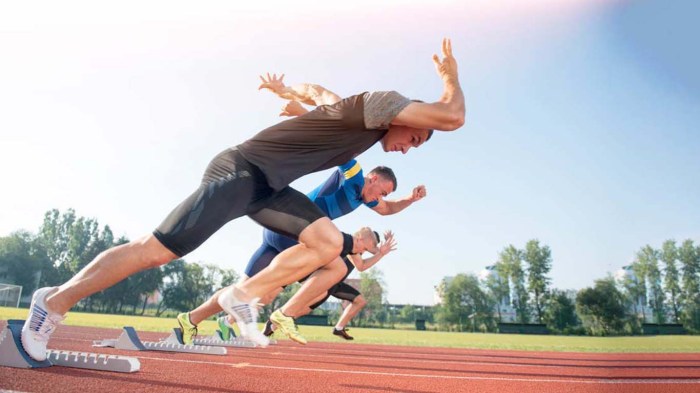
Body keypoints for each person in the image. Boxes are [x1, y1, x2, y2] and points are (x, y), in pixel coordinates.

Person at [21, 38, 465, 359]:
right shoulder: (383, 103)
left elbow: (323, 95)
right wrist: (450, 78)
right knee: (154, 252)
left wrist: (293, 95)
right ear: (404, 114)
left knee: (330, 244)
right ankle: (53, 302)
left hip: (268, 189)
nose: (411, 145)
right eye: (417, 136)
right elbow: (453, 116)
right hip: (240, 171)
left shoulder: (361, 128)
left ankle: (243, 297)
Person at [176, 78, 424, 345]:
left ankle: (192, 319)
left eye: (384, 196)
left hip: (280, 235)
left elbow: (387, 209)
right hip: (294, 230)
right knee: (338, 265)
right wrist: (301, 114)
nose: (381, 198)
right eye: (382, 191)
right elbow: (332, 138)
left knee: (250, 288)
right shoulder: (354, 174)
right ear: (373, 178)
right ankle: (285, 315)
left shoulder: (365, 200)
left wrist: (409, 199)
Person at [262, 230, 397, 341]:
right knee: (303, 306)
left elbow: (363, 265)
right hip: (324, 278)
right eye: (369, 246)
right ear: (362, 239)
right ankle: (271, 325)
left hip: (335, 283)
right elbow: (364, 260)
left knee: (306, 309)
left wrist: (382, 251)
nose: (366, 250)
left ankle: (338, 328)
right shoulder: (350, 246)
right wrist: (380, 251)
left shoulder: (357, 251)